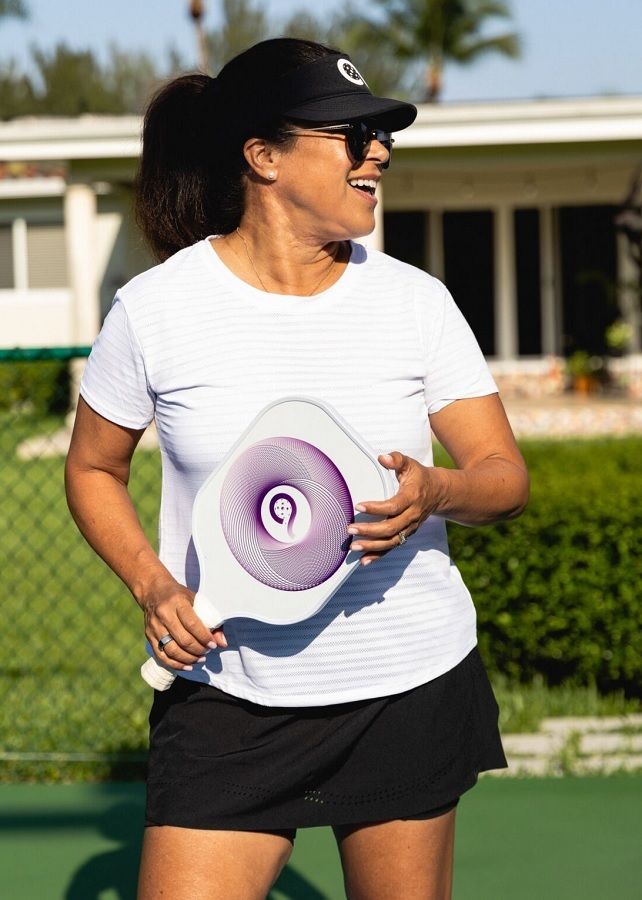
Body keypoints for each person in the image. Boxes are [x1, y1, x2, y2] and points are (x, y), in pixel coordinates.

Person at [65, 37, 529, 900]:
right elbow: (93, 468)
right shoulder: (156, 310)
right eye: (352, 134)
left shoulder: (416, 303)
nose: (379, 152)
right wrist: (153, 585)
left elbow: (503, 474)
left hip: (406, 683)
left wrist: (440, 492)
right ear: (263, 156)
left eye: (382, 137)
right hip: (229, 695)